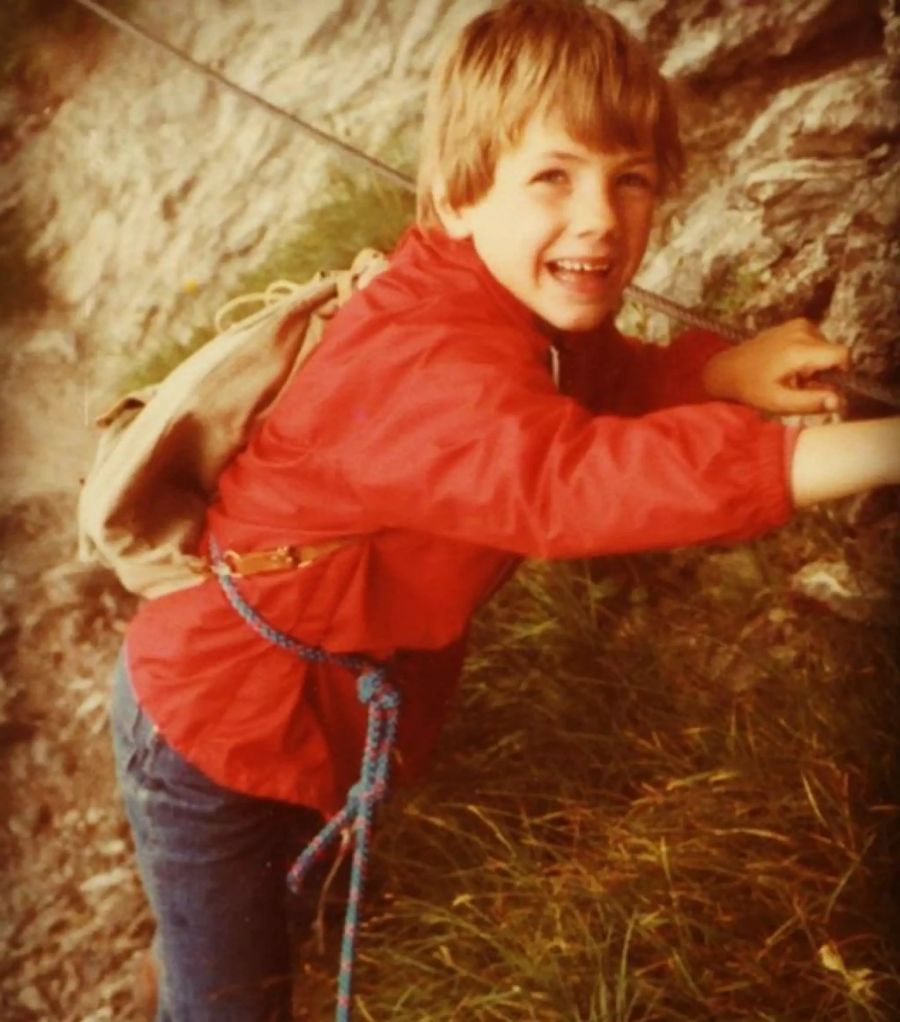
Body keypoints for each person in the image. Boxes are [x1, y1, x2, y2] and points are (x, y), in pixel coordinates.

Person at [109, 1, 900, 1019]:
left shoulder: (517, 307)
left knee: (270, 917)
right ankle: (189, 979)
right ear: (457, 194)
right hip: (212, 730)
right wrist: (865, 450)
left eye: (633, 180)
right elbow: (561, 481)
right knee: (235, 997)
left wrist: (723, 372)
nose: (601, 219)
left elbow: (598, 391)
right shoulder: (425, 350)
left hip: (328, 707)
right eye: (553, 177)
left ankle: (193, 955)